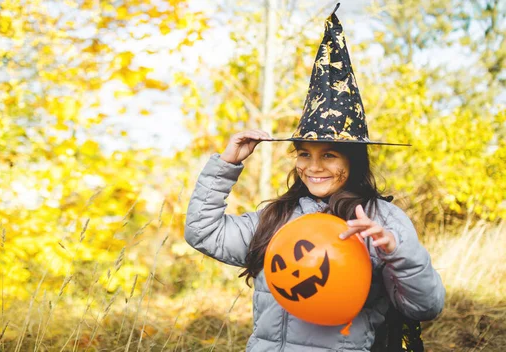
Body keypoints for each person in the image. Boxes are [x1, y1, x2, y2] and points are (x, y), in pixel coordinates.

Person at [184, 4, 445, 352]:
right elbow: (204, 233)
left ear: (352, 161)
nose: (314, 166)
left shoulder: (381, 221)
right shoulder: (275, 217)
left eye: (329, 154)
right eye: (304, 154)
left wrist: (397, 252)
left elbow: (427, 306)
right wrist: (225, 165)